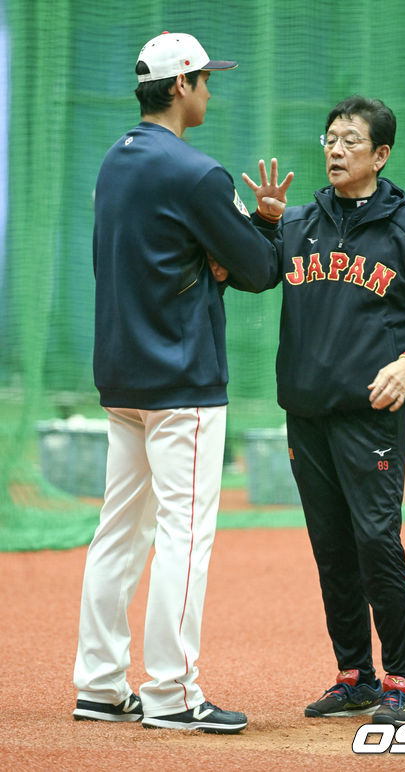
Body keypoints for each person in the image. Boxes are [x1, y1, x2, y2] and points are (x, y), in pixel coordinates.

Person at [73, 31, 292, 733]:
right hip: (182, 383)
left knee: (118, 534)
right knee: (183, 538)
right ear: (179, 87)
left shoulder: (116, 160)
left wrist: (216, 256)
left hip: (123, 379)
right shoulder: (195, 173)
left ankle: (101, 685)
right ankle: (171, 693)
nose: (208, 89)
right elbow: (260, 271)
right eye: (202, 79)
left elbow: (169, 257)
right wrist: (264, 225)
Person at [242, 95, 405, 726]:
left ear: (381, 154)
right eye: (329, 139)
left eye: (350, 140)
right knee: (332, 546)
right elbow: (258, 275)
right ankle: (355, 677)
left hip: (371, 415)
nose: (336, 150)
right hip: (307, 414)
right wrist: (263, 224)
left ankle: (402, 680)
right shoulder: (298, 222)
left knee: (375, 541)